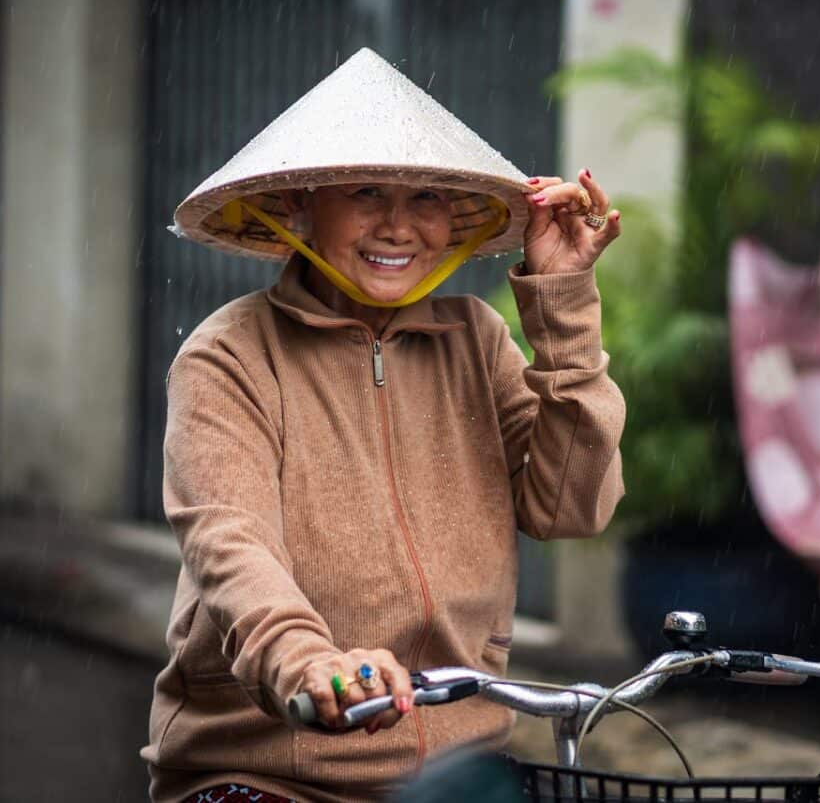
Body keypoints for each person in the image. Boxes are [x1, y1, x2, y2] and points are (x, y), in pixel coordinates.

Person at [141, 48, 626, 801]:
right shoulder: (230, 355)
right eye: (367, 191)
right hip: (266, 769)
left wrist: (563, 302)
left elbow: (570, 506)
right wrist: (309, 661)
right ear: (302, 204)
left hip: (457, 771)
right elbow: (230, 546)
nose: (398, 226)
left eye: (427, 196)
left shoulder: (477, 339)